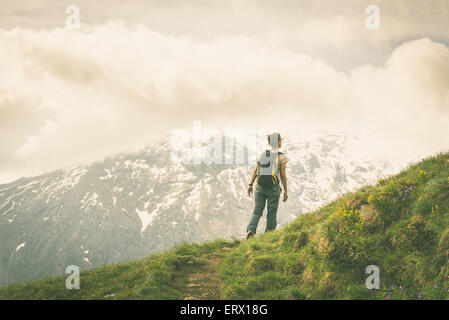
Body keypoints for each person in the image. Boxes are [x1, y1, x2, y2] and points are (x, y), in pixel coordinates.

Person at [246, 132, 288, 239]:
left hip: (260, 187)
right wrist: (285, 191)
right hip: (273, 189)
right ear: (278, 142)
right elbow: (283, 174)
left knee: (257, 211)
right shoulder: (282, 156)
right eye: (280, 140)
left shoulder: (263, 154)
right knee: (271, 214)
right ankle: (268, 237)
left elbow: (256, 170)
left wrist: (250, 184)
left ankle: (251, 230)